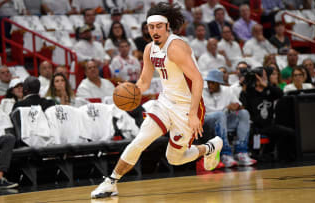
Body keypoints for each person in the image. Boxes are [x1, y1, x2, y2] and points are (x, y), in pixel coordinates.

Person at [91, 2, 223, 198]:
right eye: (151, 27)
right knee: (140, 140)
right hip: (165, 102)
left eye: (158, 26)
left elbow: (197, 79)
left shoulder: (176, 47)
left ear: (167, 26)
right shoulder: (149, 49)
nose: (154, 31)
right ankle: (111, 182)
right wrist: (131, 90)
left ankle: (211, 147)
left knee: (174, 158)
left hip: (187, 108)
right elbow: (144, 81)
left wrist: (194, 113)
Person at [202, 69, 256, 167]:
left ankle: (241, 152)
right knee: (220, 115)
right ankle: (225, 153)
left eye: (213, 83)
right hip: (207, 122)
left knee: (244, 113)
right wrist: (225, 109)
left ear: (219, 83)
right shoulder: (201, 92)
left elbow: (240, 106)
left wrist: (236, 107)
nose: (210, 85)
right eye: (208, 82)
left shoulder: (227, 90)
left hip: (224, 120)